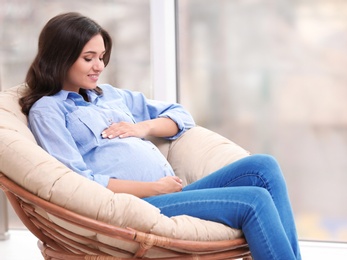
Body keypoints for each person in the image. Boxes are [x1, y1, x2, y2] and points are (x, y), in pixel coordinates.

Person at [19, 12, 301, 260]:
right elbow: (79, 184)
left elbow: (180, 116)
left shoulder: (109, 96)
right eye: (88, 58)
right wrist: (154, 188)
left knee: (264, 167)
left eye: (102, 57)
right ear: (60, 57)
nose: (99, 67)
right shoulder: (48, 110)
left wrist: (142, 128)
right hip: (139, 207)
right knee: (253, 201)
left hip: (171, 192)